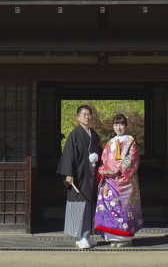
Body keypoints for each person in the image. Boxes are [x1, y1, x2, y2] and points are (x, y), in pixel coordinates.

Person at [94, 113, 143, 247]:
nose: (119, 127)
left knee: (123, 207)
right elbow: (104, 158)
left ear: (126, 126)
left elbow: (132, 159)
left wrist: (120, 169)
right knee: (110, 206)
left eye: (121, 124)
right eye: (116, 124)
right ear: (113, 126)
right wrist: (102, 169)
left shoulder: (130, 140)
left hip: (123, 181)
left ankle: (125, 238)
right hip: (109, 180)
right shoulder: (110, 142)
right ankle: (113, 238)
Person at [57, 104, 102, 249]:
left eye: (89, 114)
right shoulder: (74, 135)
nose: (87, 117)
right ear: (78, 117)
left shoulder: (94, 135)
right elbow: (68, 155)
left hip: (92, 175)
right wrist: (68, 174)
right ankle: (80, 236)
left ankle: (87, 235)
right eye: (84, 114)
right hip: (79, 176)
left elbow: (100, 152)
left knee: (90, 205)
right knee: (80, 204)